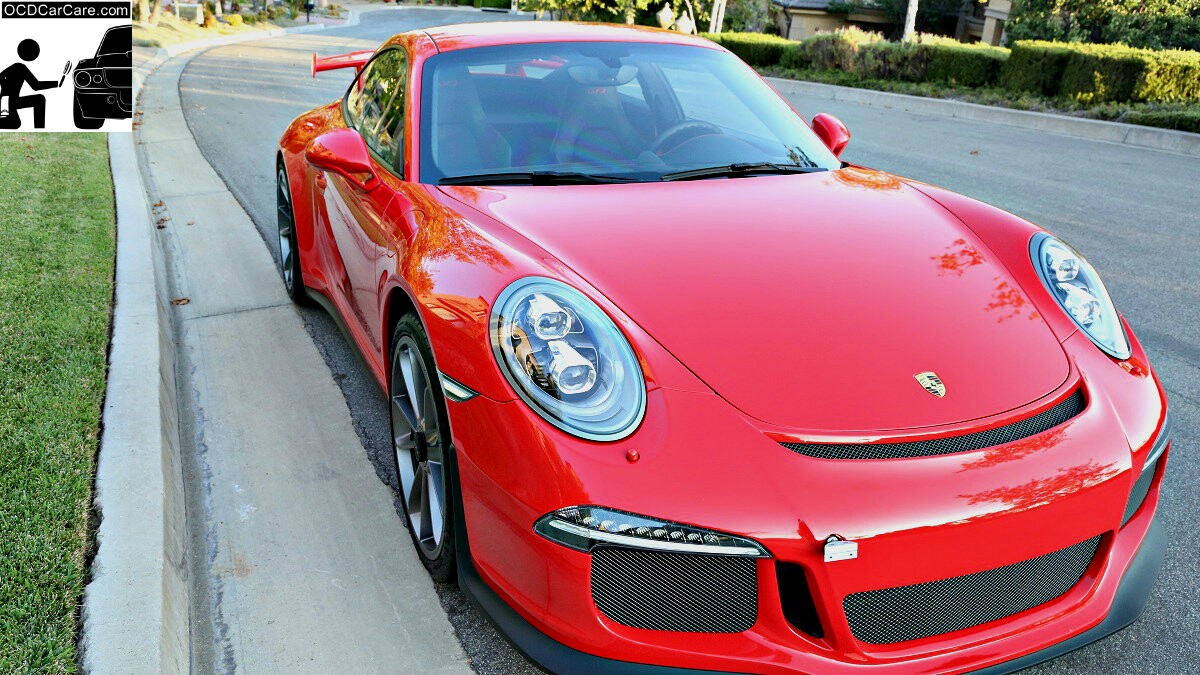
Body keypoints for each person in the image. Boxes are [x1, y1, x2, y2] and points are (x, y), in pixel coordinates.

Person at [0, 39, 61, 129]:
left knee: (15, 123)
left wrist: (5, 93)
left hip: (9, 101)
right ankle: (39, 129)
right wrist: (57, 83)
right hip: (8, 103)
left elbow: (1, 76)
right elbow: (36, 86)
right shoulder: (19, 66)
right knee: (39, 99)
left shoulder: (16, 66)